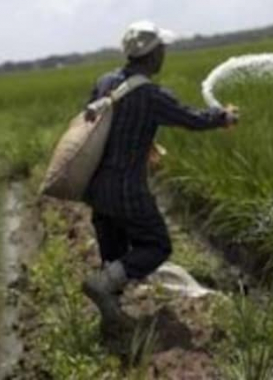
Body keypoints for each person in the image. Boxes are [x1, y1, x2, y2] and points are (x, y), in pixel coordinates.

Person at [81, 20, 238, 326]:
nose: (164, 54)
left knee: (115, 256)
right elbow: (191, 118)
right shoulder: (150, 94)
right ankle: (102, 285)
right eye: (161, 49)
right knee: (156, 245)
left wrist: (143, 140)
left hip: (98, 189)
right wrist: (224, 117)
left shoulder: (105, 82)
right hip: (127, 189)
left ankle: (111, 320)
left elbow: (96, 126)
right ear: (152, 55)